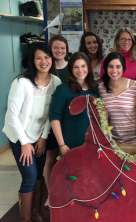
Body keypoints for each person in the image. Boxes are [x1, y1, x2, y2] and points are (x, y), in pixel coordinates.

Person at [2, 43, 61, 222]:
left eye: (47, 57)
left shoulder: (56, 82)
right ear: (32, 60)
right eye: (38, 57)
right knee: (29, 176)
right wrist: (25, 143)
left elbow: (52, 114)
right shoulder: (22, 83)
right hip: (19, 136)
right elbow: (12, 116)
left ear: (52, 59)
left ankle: (36, 213)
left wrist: (43, 138)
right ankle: (26, 219)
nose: (43, 61)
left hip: (39, 135)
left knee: (40, 175)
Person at [49, 52, 99, 155]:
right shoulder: (63, 90)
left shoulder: (96, 89)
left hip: (94, 143)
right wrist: (62, 145)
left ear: (88, 67)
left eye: (83, 66)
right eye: (76, 67)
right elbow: (55, 118)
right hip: (71, 143)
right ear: (71, 69)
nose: (80, 70)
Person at [44, 35, 69, 209]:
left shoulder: (73, 67)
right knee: (51, 158)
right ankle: (50, 194)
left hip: (69, 120)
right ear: (50, 49)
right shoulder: (46, 68)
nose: (59, 51)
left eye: (62, 48)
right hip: (51, 120)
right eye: (56, 48)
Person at [99, 52, 136, 144]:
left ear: (123, 68)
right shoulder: (101, 88)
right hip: (111, 143)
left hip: (134, 142)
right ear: (106, 68)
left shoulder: (135, 86)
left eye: (118, 66)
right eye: (110, 66)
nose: (114, 71)